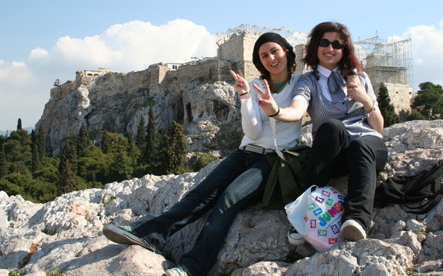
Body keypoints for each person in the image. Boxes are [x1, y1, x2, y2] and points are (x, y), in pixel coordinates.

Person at [102, 32, 304, 276]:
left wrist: (274, 109)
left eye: (275, 51)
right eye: (263, 55)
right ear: (258, 62)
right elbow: (252, 131)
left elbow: (296, 111)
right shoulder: (255, 85)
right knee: (200, 194)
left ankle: (192, 266)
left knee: (229, 199)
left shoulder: (300, 84)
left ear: (287, 51)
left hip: (273, 159)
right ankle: (149, 233)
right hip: (245, 152)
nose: (271, 58)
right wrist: (245, 98)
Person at [254, 22, 388, 242]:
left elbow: (379, 125)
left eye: (337, 44)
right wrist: (276, 111)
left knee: (361, 144)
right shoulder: (309, 81)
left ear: (345, 50)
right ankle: (305, 213)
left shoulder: (360, 78)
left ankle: (357, 220)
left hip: (368, 149)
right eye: (325, 42)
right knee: (331, 127)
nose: (330, 48)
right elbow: (297, 109)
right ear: (316, 46)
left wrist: (365, 100)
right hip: (335, 153)